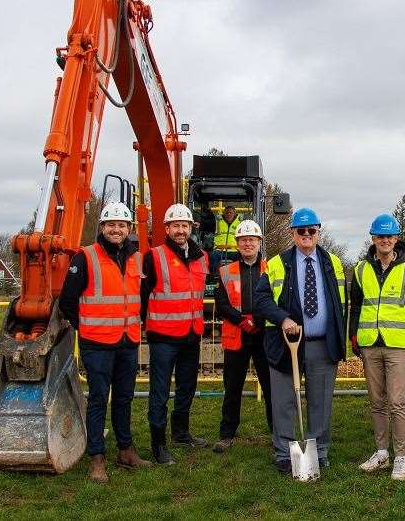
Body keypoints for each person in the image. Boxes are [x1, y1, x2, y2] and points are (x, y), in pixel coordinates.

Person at [59, 202, 150, 482]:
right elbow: (67, 301)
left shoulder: (137, 259)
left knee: (124, 398)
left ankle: (125, 450)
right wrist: (86, 328)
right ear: (102, 228)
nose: (116, 229)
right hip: (97, 343)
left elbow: (141, 298)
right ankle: (97, 458)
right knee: (98, 399)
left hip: (127, 341)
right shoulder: (85, 257)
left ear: (129, 229)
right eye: (111, 224)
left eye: (122, 225)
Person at [254, 207, 347, 474]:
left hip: (322, 343)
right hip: (286, 342)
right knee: (283, 400)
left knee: (321, 400)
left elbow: (341, 302)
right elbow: (261, 299)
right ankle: (284, 452)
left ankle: (319, 450)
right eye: (300, 231)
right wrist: (283, 318)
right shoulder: (276, 264)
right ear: (292, 233)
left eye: (311, 230)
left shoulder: (334, 262)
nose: (306, 235)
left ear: (319, 231)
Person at [350, 213, 405, 481]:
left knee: (397, 402)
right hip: (370, 345)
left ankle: (401, 457)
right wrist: (354, 335)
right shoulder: (361, 269)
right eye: (380, 236)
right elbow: (357, 306)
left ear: (396, 239)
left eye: (389, 236)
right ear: (373, 238)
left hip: (397, 347)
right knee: (377, 402)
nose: (385, 240)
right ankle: (382, 453)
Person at [142, 203, 210, 465]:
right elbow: (143, 296)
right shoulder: (154, 256)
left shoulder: (201, 256)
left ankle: (181, 433)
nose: (181, 230)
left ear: (191, 227)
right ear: (167, 228)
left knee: (187, 387)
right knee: (160, 391)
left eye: (185, 225)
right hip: (163, 336)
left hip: (191, 335)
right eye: (176, 226)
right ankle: (158, 445)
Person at [212, 220, 272, 452]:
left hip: (264, 335)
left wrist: (257, 320)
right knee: (232, 387)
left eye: (252, 239)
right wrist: (241, 321)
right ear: (237, 244)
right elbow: (222, 302)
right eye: (244, 240)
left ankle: (278, 431)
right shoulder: (226, 271)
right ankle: (226, 433)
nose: (248, 243)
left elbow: (275, 300)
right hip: (237, 335)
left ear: (259, 243)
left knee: (270, 386)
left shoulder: (272, 269)